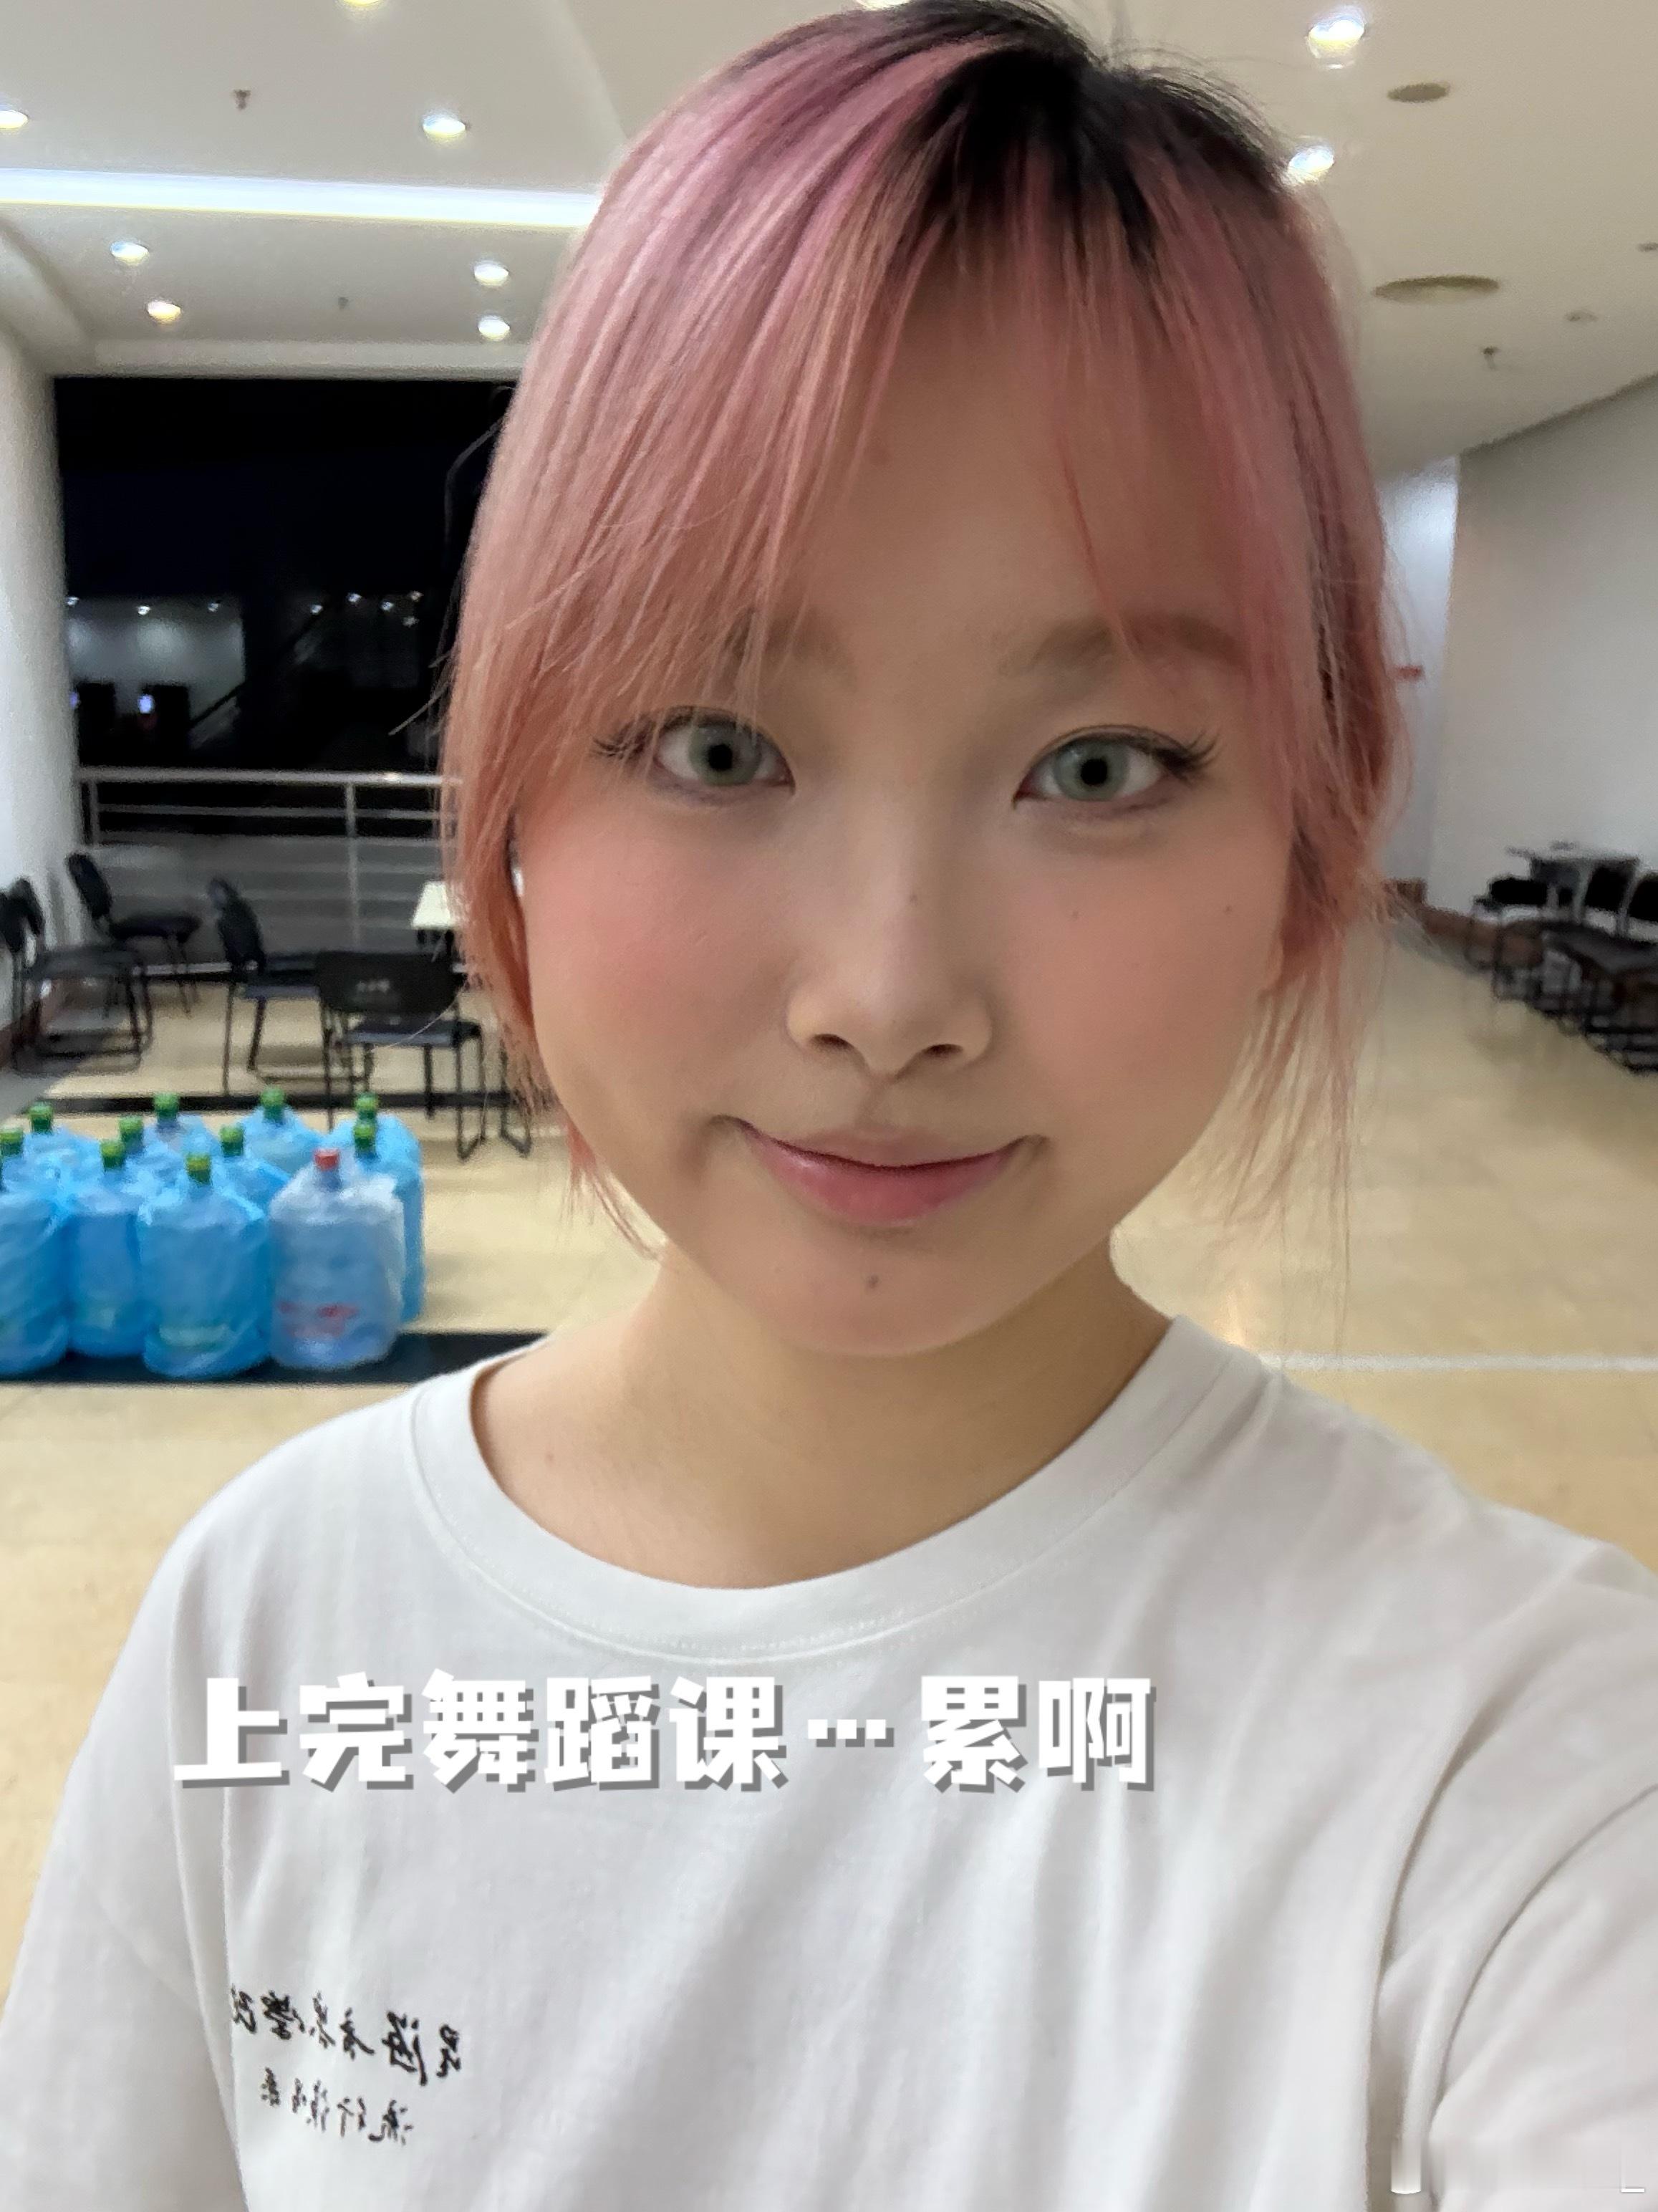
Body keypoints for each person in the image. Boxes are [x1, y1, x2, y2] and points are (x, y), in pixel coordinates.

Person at [3, 5, 1655, 2205]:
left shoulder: (1515, 1770)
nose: (885, 1000)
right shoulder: (280, 1624)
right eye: (717, 745)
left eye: (1095, 767)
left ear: (1301, 845)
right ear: (510, 799)